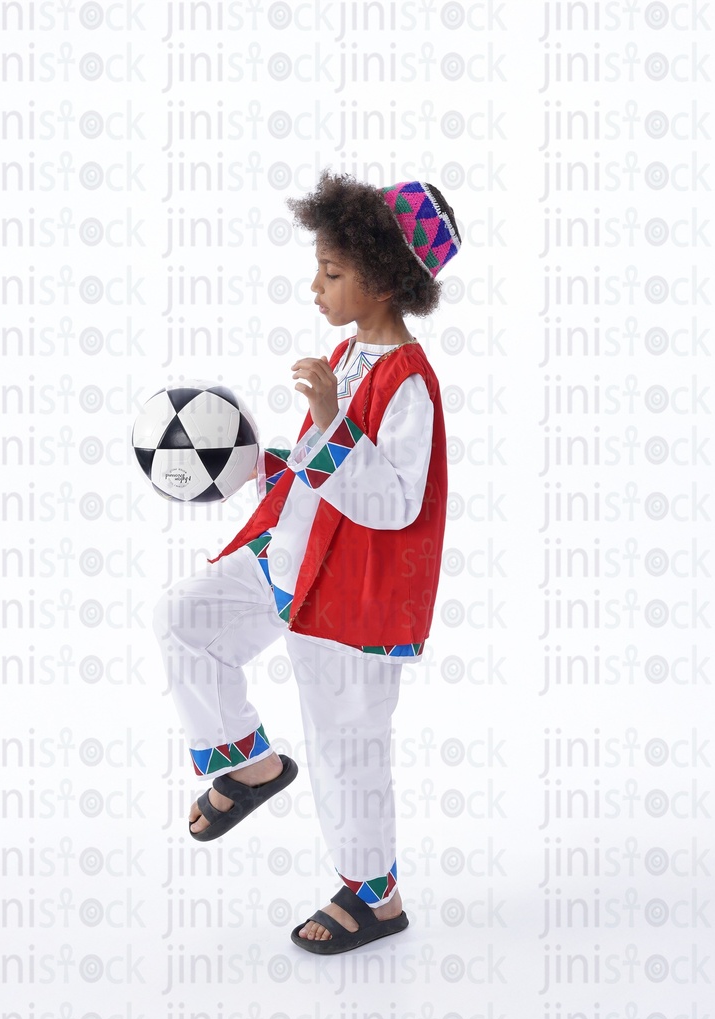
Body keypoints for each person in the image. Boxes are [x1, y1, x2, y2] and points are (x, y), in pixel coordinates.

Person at [152, 171, 461, 953]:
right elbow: (324, 470)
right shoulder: (348, 353)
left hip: (352, 595)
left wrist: (327, 420)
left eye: (331, 273)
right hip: (290, 559)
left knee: (345, 743)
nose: (315, 289)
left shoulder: (411, 385)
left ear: (383, 281)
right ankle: (247, 762)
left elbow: (395, 503)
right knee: (184, 618)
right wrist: (264, 465)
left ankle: (375, 896)